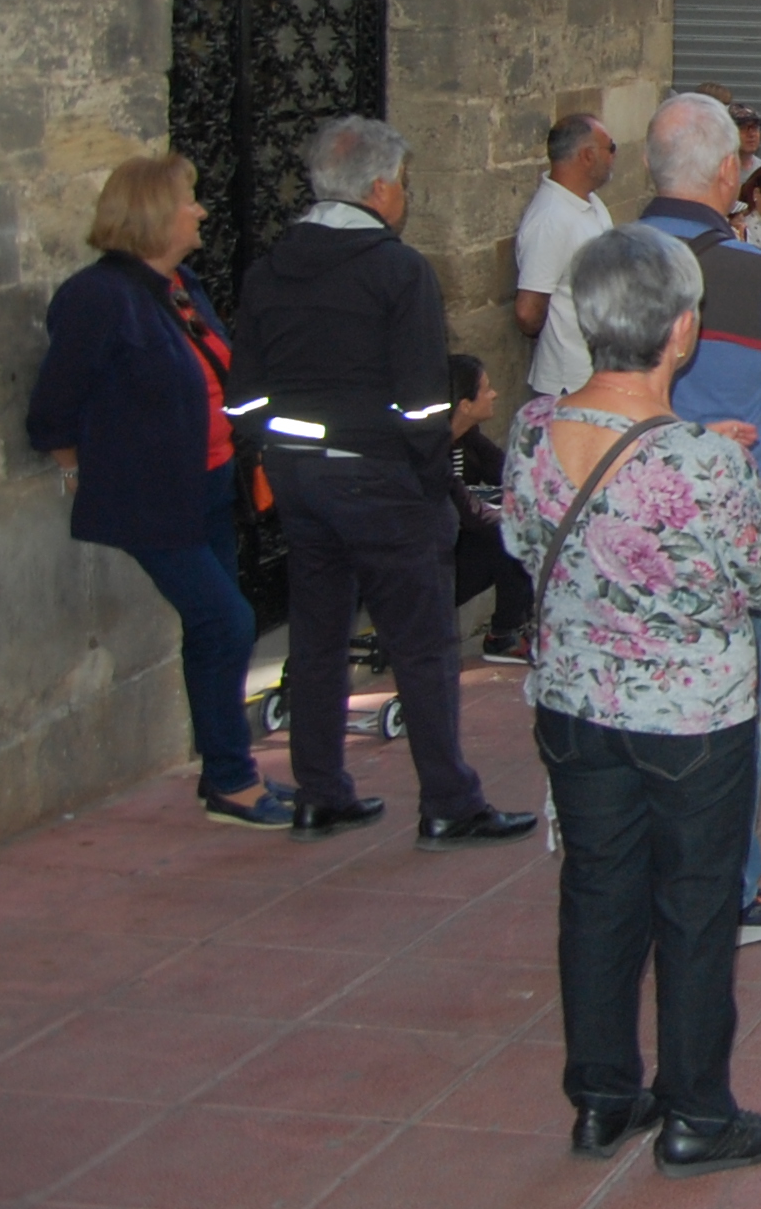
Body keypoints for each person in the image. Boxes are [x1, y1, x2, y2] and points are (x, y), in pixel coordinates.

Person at [501, 225, 761, 1175]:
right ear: (683, 332)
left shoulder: (531, 429)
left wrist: (697, 462)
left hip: (573, 707)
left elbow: (527, 541)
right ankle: (696, 1112)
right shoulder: (704, 467)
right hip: (689, 725)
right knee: (692, 905)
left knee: (597, 892)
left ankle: (601, 1098)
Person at [227, 116, 532, 848]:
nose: (405, 200)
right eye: (403, 185)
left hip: (300, 480)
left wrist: (283, 452)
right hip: (384, 480)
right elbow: (425, 402)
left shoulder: (269, 269)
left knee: (320, 631)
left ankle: (321, 790)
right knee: (422, 645)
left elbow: (244, 397)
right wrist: (426, 480)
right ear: (378, 188)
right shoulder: (398, 270)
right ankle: (449, 801)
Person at [27, 154, 282, 828]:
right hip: (153, 499)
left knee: (214, 629)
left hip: (210, 486)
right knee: (226, 621)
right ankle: (232, 776)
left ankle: (227, 774)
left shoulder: (179, 284)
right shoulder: (98, 296)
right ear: (152, 214)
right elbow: (52, 408)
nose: (200, 211)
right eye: (189, 202)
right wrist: (84, 470)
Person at [635, 92, 761, 949]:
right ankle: (730, 890)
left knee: (633, 703)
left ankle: (636, 875)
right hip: (733, 521)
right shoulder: (756, 273)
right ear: (727, 173)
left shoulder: (605, 260)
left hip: (624, 514)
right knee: (733, 713)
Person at [513, 112, 616, 397]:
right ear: (586, 155)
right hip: (568, 383)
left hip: (596, 374)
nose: (613, 157)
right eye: (611, 148)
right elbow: (528, 311)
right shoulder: (551, 219)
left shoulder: (592, 204)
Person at [444, 353, 536, 664]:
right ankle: (503, 635)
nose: (494, 394)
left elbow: (509, 471)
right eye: (486, 389)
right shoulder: (431, 451)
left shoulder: (468, 438)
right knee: (515, 533)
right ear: (465, 404)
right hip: (430, 569)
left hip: (458, 552)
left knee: (524, 525)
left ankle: (520, 625)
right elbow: (472, 515)